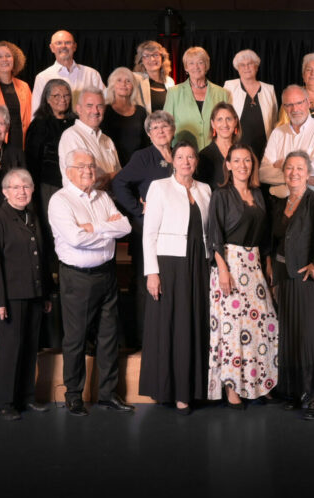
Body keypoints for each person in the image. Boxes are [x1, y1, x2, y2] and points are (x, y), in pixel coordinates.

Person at [47, 149, 134, 417]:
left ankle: (108, 394)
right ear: (69, 171)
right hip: (78, 277)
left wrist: (92, 227)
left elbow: (126, 227)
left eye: (91, 166)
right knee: (76, 338)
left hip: (107, 273)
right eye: (82, 166)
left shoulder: (103, 196)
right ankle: (73, 395)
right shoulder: (60, 201)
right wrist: (106, 228)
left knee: (109, 336)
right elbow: (75, 239)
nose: (88, 170)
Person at [140, 141, 212, 414]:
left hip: (199, 264)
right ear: (173, 161)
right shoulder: (159, 187)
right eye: (180, 156)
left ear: (196, 161)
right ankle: (176, 391)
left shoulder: (205, 189)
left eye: (190, 157)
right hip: (170, 265)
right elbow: (149, 233)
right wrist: (152, 272)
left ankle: (195, 389)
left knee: (195, 322)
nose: (186, 161)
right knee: (174, 324)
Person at [206, 144, 279, 408]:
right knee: (232, 329)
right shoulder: (221, 194)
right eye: (236, 160)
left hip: (254, 264)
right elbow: (214, 235)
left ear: (253, 164)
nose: (242, 165)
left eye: (247, 160)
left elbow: (266, 234)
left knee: (263, 325)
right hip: (230, 265)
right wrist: (223, 269)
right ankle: (232, 387)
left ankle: (260, 381)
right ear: (228, 165)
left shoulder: (259, 194)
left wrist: (267, 262)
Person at [271, 151, 314, 420]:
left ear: (308, 173)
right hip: (285, 277)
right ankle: (296, 391)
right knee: (291, 335)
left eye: (299, 168)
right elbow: (277, 240)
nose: (294, 173)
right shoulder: (281, 202)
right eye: (289, 168)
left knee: (310, 337)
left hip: (308, 281)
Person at [0, 168, 52, 421]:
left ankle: (27, 397)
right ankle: (5, 403)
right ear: (5, 192)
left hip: (34, 294)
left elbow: (42, 257)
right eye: (15, 187)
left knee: (30, 348)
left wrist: (46, 294)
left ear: (32, 190)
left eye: (26, 187)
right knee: (11, 349)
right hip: (10, 297)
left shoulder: (32, 216)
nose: (22, 192)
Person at [111, 111, 177, 348]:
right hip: (148, 231)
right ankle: (144, 338)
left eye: (164, 126)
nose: (160, 131)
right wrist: (138, 209)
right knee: (146, 281)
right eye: (154, 128)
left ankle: (166, 334)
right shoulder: (143, 157)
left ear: (173, 130)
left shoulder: (178, 155)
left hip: (173, 231)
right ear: (148, 134)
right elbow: (119, 182)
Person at [259, 85, 314, 199]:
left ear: (308, 103)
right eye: (289, 105)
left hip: (312, 201)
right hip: (279, 202)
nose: (295, 109)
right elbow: (263, 173)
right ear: (284, 107)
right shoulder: (277, 132)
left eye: (299, 103)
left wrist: (283, 164)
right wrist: (306, 178)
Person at [164, 47, 230, 151]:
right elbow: (166, 124)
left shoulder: (222, 93)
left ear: (206, 65)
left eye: (200, 62)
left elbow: (228, 124)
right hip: (183, 152)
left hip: (215, 150)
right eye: (191, 63)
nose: (196, 67)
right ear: (186, 67)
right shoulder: (174, 93)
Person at [25, 78, 77, 211]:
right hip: (49, 184)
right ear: (47, 99)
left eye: (66, 95)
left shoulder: (76, 122)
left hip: (75, 183)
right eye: (57, 96)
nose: (63, 99)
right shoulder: (39, 124)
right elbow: (32, 160)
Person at [58, 88, 121, 189]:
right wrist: (112, 176)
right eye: (89, 106)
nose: (95, 111)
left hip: (110, 197)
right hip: (84, 199)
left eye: (99, 106)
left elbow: (121, 176)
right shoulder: (71, 136)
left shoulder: (107, 140)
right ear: (79, 109)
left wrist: (110, 177)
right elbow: (85, 180)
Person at [31, 30, 106, 114]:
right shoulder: (42, 77)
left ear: (74, 47)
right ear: (52, 48)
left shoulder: (92, 74)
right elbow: (36, 112)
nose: (63, 46)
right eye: (59, 43)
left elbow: (105, 101)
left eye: (68, 43)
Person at [223, 49, 278, 160]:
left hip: (264, 150)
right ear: (237, 69)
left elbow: (274, 120)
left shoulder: (269, 89)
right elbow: (222, 117)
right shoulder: (229, 87)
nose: (246, 67)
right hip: (236, 148)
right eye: (242, 65)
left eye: (250, 64)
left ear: (256, 67)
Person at [0, 41, 32, 147]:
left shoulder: (24, 86)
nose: (4, 59)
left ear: (14, 60)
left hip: (22, 143)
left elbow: (31, 116)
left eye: (8, 56)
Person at [103, 67, 150, 166]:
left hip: (137, 166)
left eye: (128, 81)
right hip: (112, 167)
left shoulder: (141, 112)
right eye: (119, 80)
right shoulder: (105, 111)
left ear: (133, 86)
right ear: (112, 85)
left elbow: (146, 143)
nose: (124, 84)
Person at [194, 103, 240, 190]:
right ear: (213, 124)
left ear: (235, 122)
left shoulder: (243, 152)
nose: (225, 124)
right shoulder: (204, 156)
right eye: (219, 120)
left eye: (229, 119)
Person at [131, 40, 175, 112]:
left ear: (162, 58)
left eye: (156, 55)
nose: (152, 59)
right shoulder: (135, 79)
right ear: (141, 61)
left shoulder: (170, 81)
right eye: (146, 56)